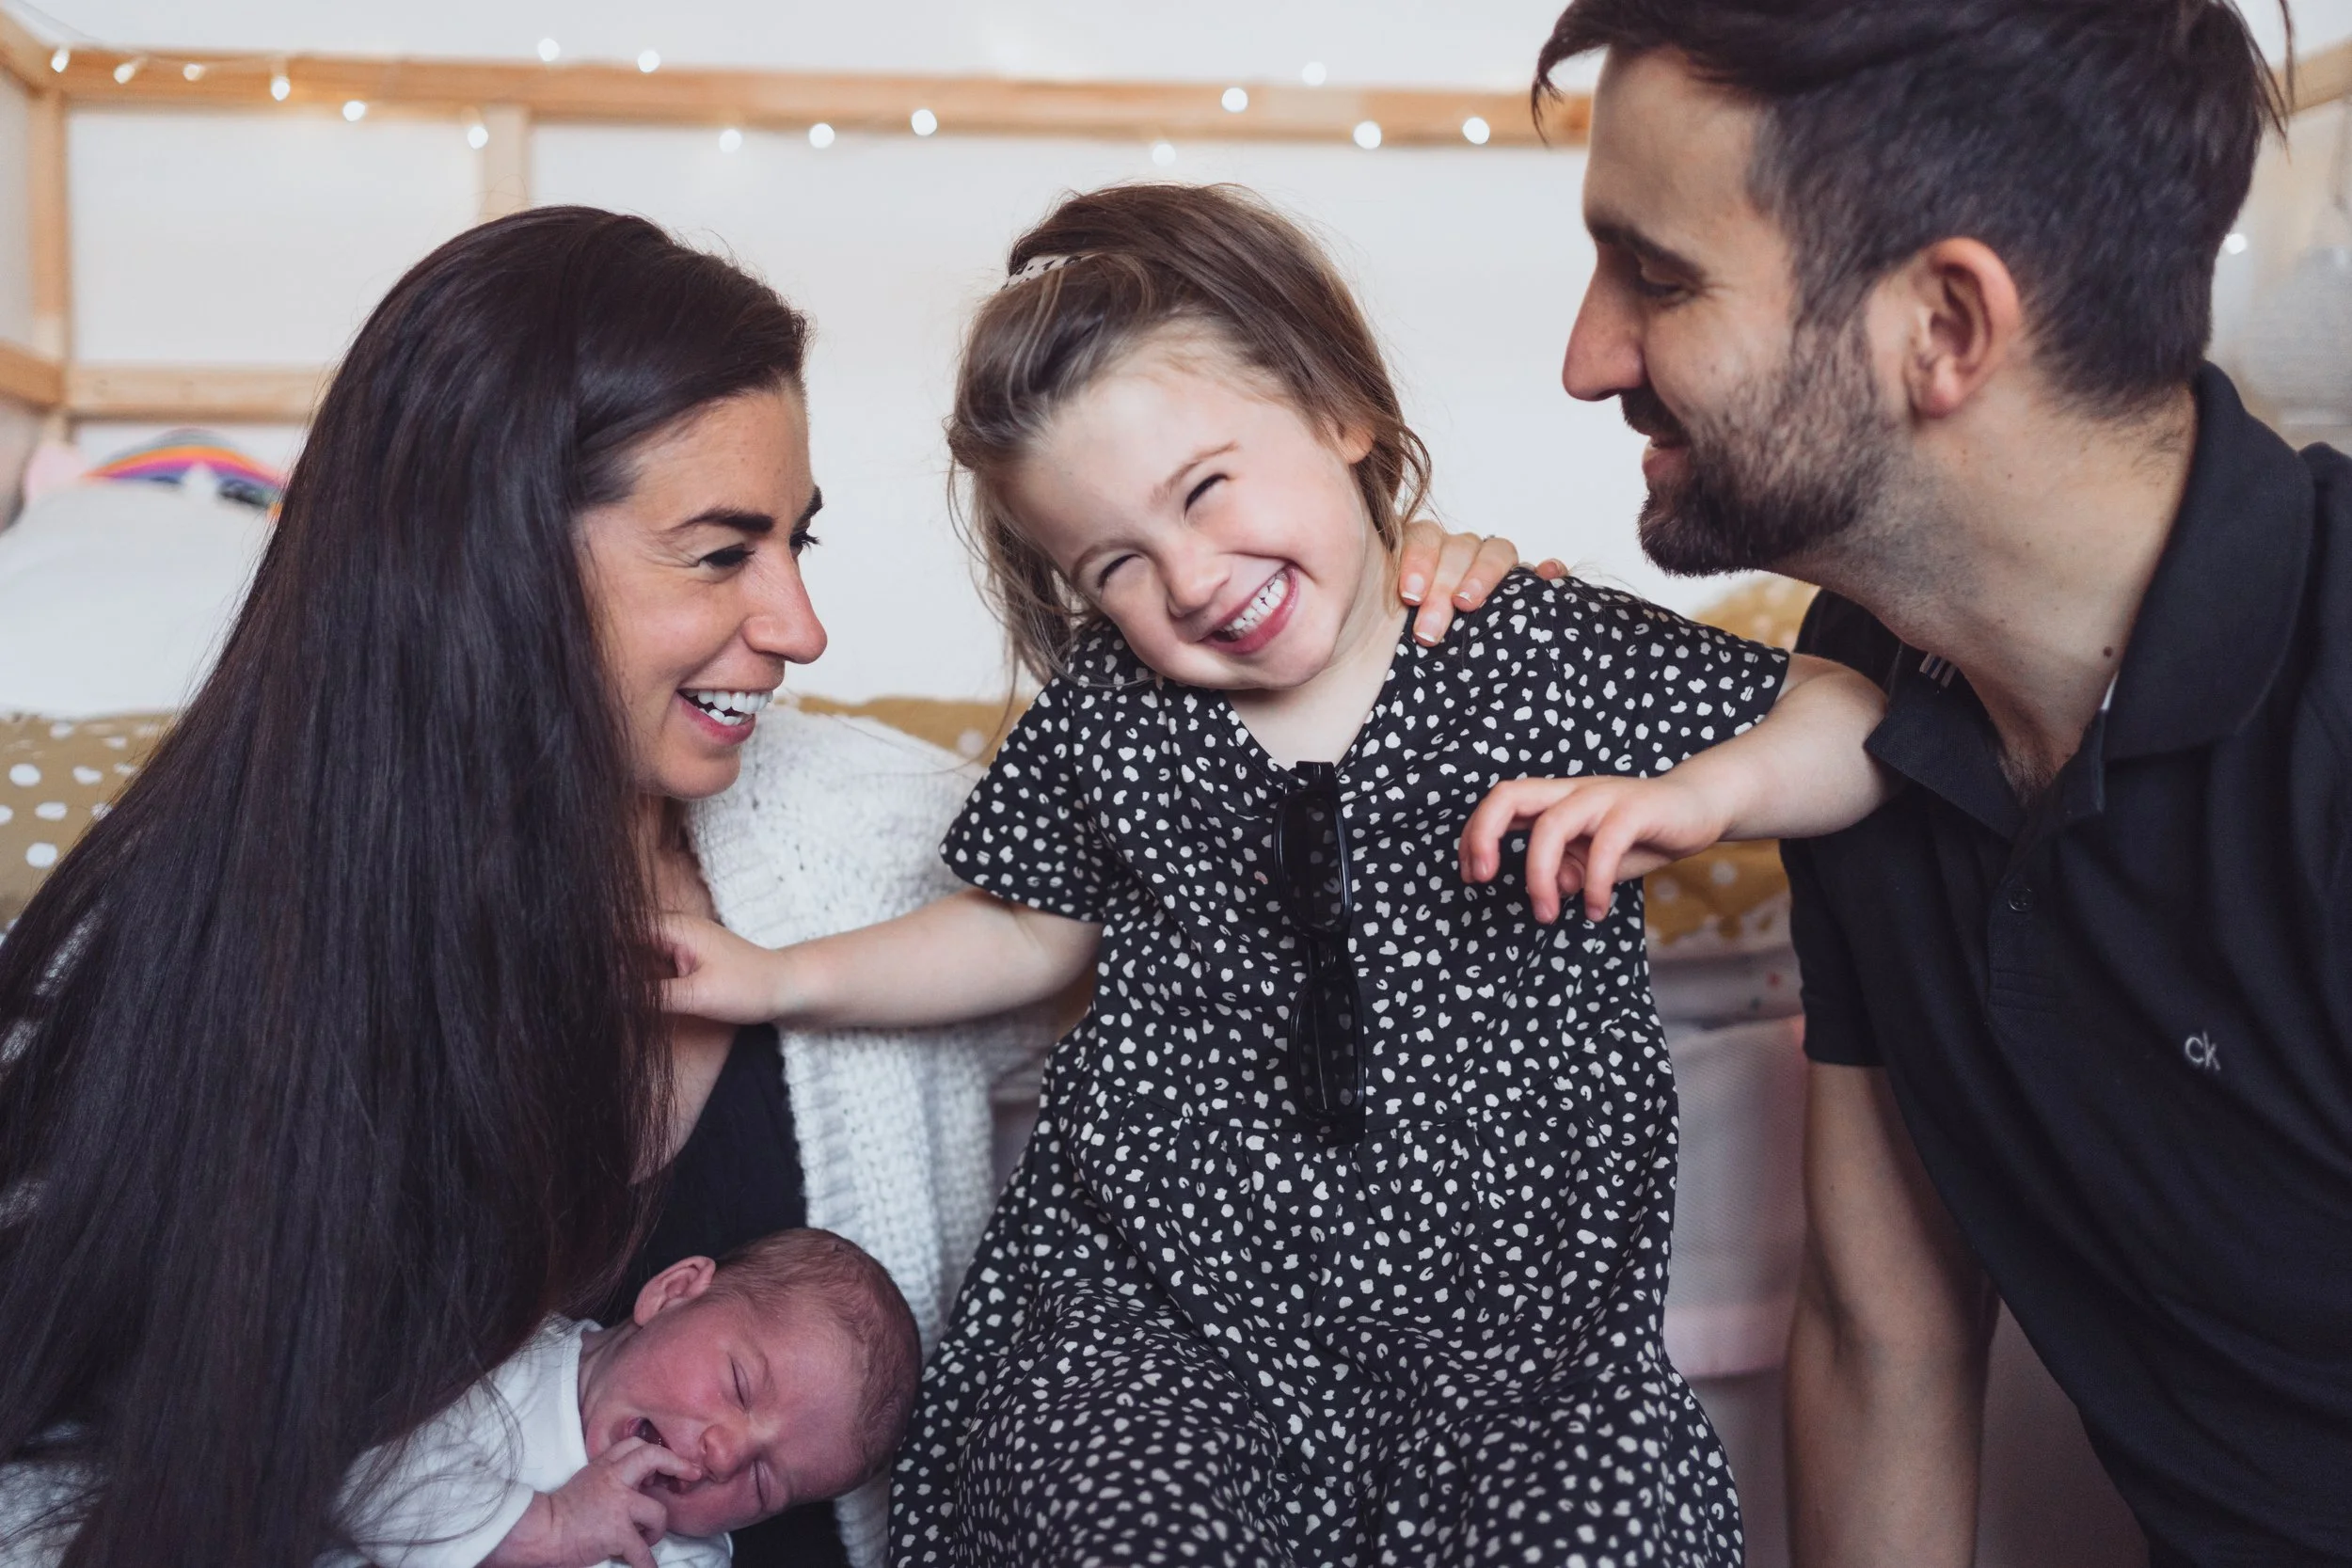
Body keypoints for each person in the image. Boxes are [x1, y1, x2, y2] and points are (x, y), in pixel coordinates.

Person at [0, 204, 1529, 1568]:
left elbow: (1241, 923)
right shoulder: (186, 953)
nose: (800, 625)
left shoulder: (884, 843)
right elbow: (51, 1485)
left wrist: (1390, 621)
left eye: (795, 544)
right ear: (495, 559)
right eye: (721, 553)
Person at [660, 182, 1892, 1566]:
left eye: (1206, 489)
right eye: (1117, 560)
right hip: (1159, 1304)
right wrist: (778, 976)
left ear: (1339, 411)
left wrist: (1696, 796)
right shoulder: (1118, 712)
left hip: (1513, 1348)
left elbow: (1861, 714)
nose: (1190, 577)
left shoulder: (1530, 646)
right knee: (1095, 1496)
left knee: (1592, 1524)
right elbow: (1020, 929)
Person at [1534, 3, 2352, 1565]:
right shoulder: (1871, 677)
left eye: (1657, 273)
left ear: (1947, 328)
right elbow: (1883, 1330)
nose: (1587, 361)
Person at [334, 1228, 918, 1568]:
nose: (726, 1454)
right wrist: (550, 1527)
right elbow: (360, 1470)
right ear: (673, 1294)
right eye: (739, 1385)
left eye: (765, 1484)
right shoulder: (504, 1352)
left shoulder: (681, 1556)